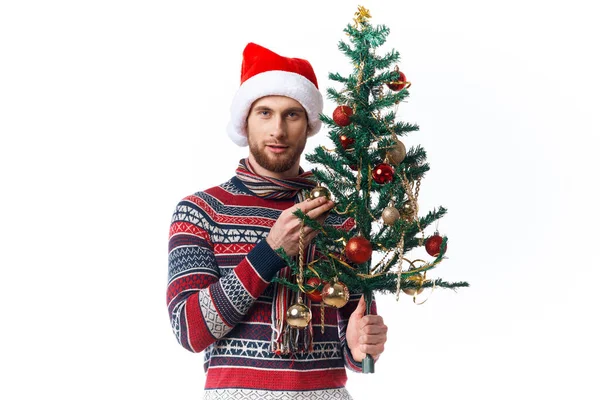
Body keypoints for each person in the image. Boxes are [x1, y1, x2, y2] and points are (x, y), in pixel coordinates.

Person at [167, 42, 388, 400]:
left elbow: (354, 339)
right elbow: (190, 330)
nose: (278, 131)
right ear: (245, 121)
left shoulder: (340, 216)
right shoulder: (201, 211)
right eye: (265, 113)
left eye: (292, 115)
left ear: (309, 125)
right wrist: (270, 251)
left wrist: (360, 346)